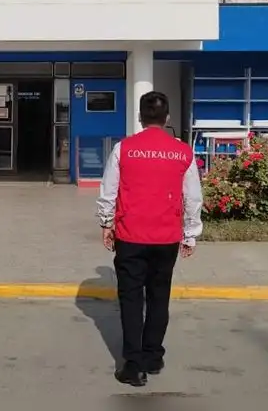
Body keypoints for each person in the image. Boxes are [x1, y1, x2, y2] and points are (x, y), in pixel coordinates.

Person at [95, 91, 203, 387]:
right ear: (167, 118)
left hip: (130, 235)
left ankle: (133, 365)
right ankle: (153, 357)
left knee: (131, 299)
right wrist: (190, 234)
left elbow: (109, 190)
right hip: (166, 237)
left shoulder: (124, 149)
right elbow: (193, 197)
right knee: (159, 296)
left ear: (140, 118)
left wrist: (106, 223)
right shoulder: (182, 152)